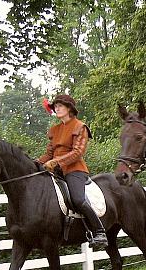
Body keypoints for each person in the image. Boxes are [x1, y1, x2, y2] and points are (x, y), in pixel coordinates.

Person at [38, 94, 108, 246]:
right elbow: (48, 154)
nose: (56, 108)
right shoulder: (54, 130)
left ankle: (99, 231)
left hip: (75, 170)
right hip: (56, 171)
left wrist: (56, 161)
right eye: (55, 106)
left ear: (69, 108)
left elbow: (78, 152)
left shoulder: (79, 127)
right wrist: (34, 164)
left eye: (60, 106)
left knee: (77, 199)